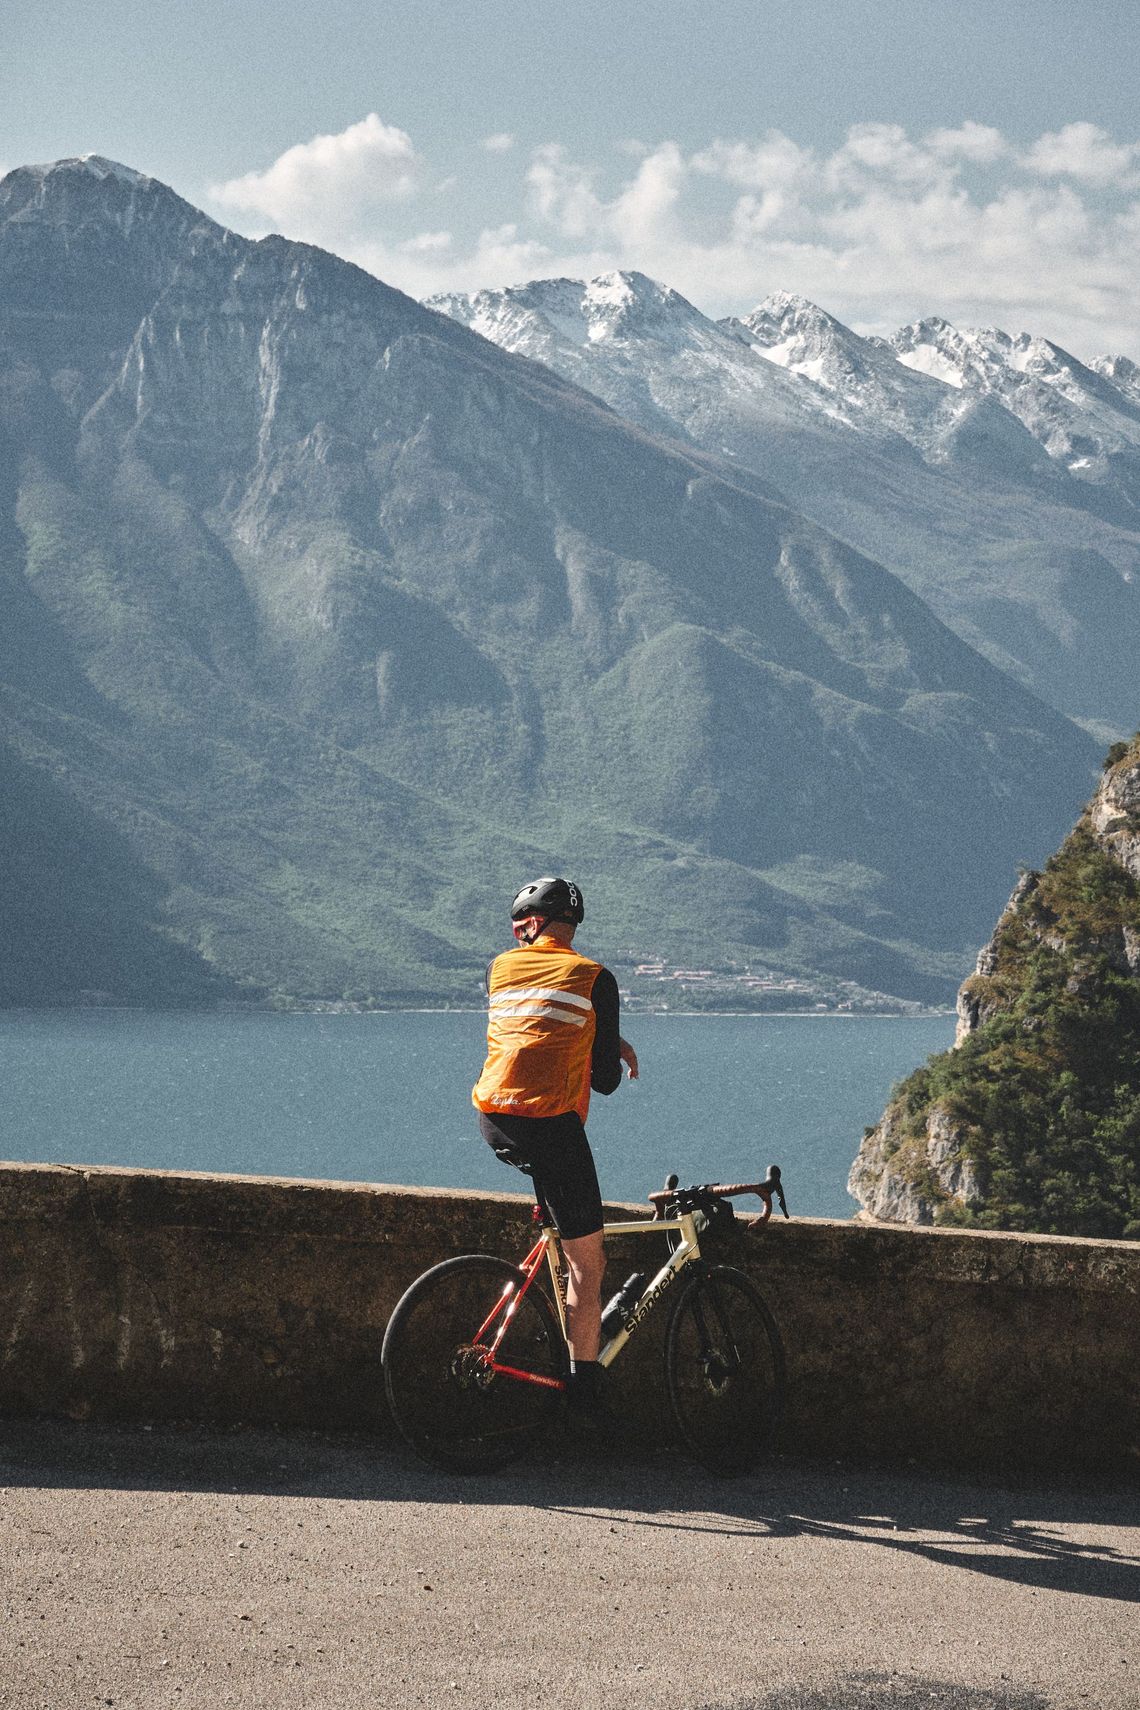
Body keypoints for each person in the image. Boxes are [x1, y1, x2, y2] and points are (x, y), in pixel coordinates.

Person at [472, 876, 638, 1423]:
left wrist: (600, 1036)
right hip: (551, 1127)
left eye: (520, 927)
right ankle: (581, 1397)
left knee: (562, 1227)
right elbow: (607, 1083)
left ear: (534, 924)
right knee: (587, 1263)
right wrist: (606, 1043)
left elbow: (535, 1025)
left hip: (494, 1119)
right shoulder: (595, 978)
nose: (517, 936)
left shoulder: (499, 968)